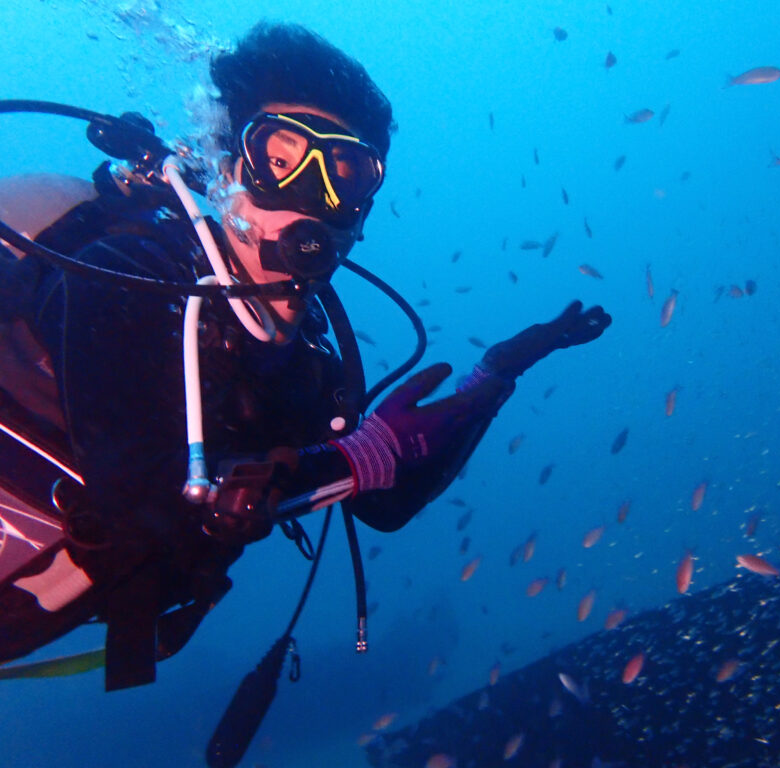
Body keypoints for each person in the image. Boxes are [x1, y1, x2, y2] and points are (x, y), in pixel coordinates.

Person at [0, 22, 610, 694]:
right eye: (283, 155)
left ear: (363, 210)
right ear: (230, 167)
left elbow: (382, 503)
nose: (312, 196)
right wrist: (354, 459)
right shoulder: (123, 273)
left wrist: (491, 380)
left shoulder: (297, 366)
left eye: (345, 173)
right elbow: (141, 506)